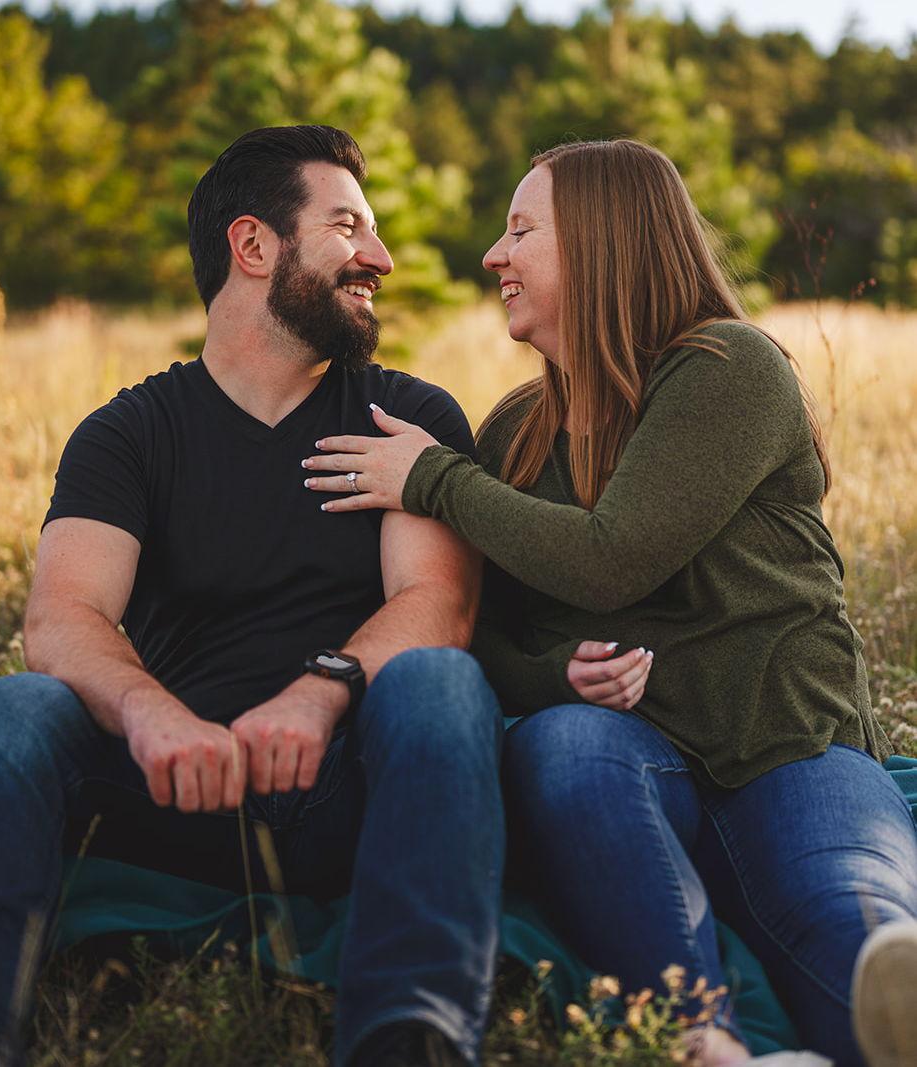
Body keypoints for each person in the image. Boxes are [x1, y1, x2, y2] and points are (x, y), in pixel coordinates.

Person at [0, 124, 600, 1067]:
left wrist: (318, 694)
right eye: (347, 227)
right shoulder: (127, 433)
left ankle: (411, 1034)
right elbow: (63, 616)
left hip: (349, 786)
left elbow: (437, 606)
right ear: (254, 245)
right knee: (8, 708)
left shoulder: (407, 416)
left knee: (442, 683)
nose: (380, 258)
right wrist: (152, 716)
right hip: (176, 784)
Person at [301, 138, 917, 1067]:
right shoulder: (517, 428)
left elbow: (610, 560)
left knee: (845, 914)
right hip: (618, 758)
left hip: (783, 744)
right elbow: (482, 634)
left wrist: (434, 477)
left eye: (521, 231)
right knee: (565, 743)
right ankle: (706, 1042)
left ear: (602, 241)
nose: (493, 255)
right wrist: (559, 675)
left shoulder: (728, 367)